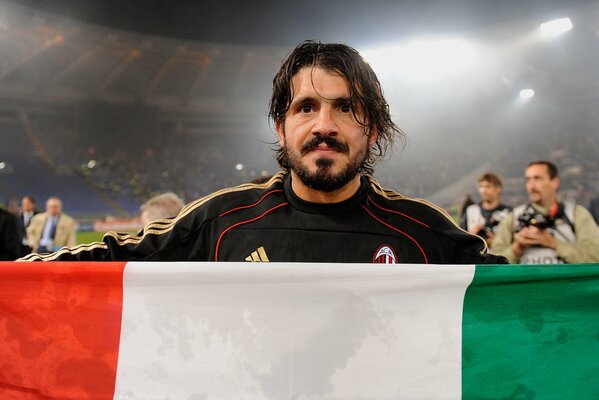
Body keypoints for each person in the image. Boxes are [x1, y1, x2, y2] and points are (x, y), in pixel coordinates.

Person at [20, 40, 505, 264]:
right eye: (306, 107)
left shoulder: (427, 235)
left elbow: (534, 306)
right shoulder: (218, 222)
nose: (324, 126)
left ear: (372, 129)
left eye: (346, 109)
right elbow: (110, 262)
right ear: (281, 126)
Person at [492, 161, 599, 264]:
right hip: (527, 281)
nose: (531, 186)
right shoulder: (514, 217)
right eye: (528, 180)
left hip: (565, 282)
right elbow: (492, 264)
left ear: (555, 182)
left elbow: (595, 256)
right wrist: (516, 248)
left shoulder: (576, 214)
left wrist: (553, 243)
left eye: (537, 178)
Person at [460, 173, 511, 247]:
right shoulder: (471, 211)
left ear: (498, 188)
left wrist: (497, 240)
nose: (483, 190)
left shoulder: (508, 213)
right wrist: (470, 235)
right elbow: (460, 238)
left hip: (500, 256)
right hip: (475, 256)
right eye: (481, 186)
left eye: (488, 186)